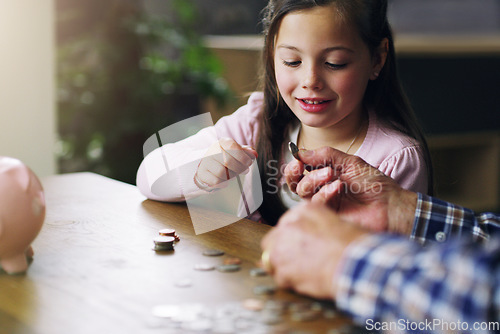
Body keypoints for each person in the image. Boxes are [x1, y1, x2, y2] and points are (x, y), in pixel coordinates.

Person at [136, 0, 433, 225]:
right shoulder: (256, 120)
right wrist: (200, 172)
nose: (311, 81)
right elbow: (148, 174)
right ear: (271, 55)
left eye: (335, 63)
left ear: (377, 60)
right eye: (292, 61)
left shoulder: (395, 157)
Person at [261, 146, 500, 332]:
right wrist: (399, 210)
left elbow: (484, 313)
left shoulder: (401, 153)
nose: (311, 81)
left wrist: (349, 260)